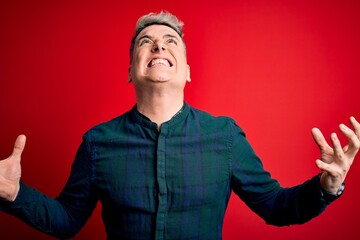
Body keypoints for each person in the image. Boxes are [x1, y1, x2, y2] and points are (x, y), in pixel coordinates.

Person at [0, 11, 359, 240]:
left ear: (186, 71)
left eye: (171, 42)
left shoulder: (225, 137)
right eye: (146, 42)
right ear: (130, 70)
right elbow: (66, 221)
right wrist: (14, 194)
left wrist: (326, 187)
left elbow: (277, 208)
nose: (159, 45)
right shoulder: (98, 143)